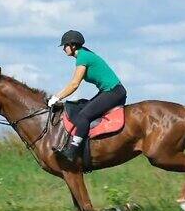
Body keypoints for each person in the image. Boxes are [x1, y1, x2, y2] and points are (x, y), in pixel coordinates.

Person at [48, 30, 127, 162]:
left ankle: (73, 151)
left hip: (114, 92)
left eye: (65, 45)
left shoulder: (83, 57)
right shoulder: (84, 54)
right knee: (83, 107)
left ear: (73, 45)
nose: (63, 49)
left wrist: (57, 97)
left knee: (83, 115)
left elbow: (74, 84)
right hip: (108, 91)